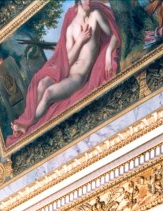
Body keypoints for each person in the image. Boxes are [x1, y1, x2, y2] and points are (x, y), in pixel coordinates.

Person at [9, 0, 120, 145]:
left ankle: (27, 125)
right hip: (66, 73)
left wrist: (107, 55)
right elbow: (67, 60)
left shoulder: (95, 15)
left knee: (48, 93)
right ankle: (26, 120)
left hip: (78, 77)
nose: (90, 1)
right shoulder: (72, 28)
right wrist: (80, 41)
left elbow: (113, 35)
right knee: (41, 84)